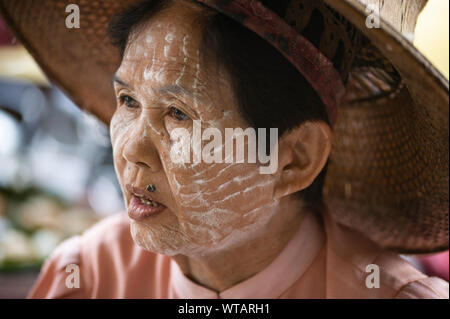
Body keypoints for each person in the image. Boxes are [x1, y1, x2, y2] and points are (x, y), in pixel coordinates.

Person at [0, 0, 447, 298]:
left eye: (178, 114)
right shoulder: (89, 278)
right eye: (128, 100)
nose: (132, 149)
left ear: (294, 159)